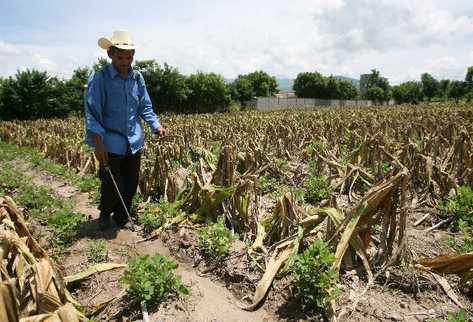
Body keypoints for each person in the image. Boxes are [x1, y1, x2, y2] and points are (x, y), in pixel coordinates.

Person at [84, 30, 166, 230]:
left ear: (133, 56)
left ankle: (122, 216)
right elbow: (93, 113)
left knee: (130, 182)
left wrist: (156, 125)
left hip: (134, 140)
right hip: (109, 141)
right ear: (110, 55)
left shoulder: (137, 78)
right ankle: (105, 214)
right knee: (111, 182)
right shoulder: (100, 78)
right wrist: (98, 144)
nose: (125, 61)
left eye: (129, 57)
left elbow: (144, 106)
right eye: (120, 57)